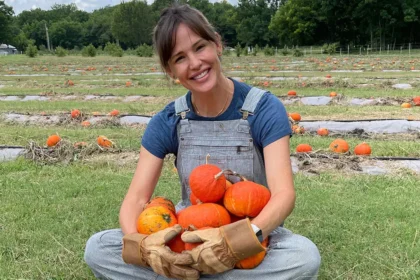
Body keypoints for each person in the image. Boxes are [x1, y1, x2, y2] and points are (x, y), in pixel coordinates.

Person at [84, 4, 321, 280]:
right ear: (170, 70)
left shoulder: (263, 109)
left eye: (199, 47)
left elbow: (284, 196)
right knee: (98, 248)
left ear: (217, 44)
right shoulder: (169, 119)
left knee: (303, 257)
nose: (195, 63)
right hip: (191, 235)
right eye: (180, 58)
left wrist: (237, 244)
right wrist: (145, 248)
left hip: (253, 233)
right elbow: (135, 199)